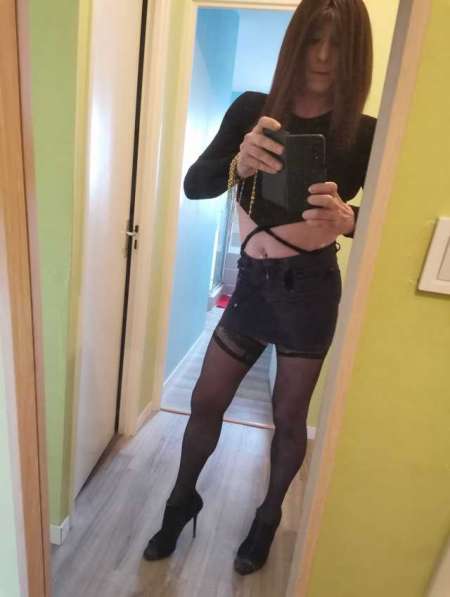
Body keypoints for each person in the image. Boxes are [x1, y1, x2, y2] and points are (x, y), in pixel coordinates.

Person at [143, 0, 376, 575]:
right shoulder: (252, 110)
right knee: (206, 400)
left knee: (288, 417)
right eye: (314, 38)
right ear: (296, 41)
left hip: (310, 291)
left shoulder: (366, 132)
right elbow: (195, 185)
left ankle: (268, 516)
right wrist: (239, 165)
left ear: (356, 55)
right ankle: (181, 500)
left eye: (338, 43)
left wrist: (350, 220)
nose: (323, 56)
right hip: (252, 285)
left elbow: (386, 226)